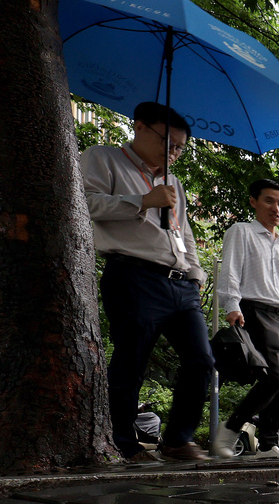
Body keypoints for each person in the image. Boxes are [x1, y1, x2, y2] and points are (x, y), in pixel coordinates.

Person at [80, 101, 213, 461]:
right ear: (139, 127)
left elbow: (182, 232)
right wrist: (141, 201)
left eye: (180, 147)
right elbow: (85, 204)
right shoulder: (102, 158)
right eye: (168, 142)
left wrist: (196, 276)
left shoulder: (173, 182)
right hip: (133, 275)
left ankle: (177, 439)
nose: (174, 152)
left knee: (202, 361)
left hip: (181, 283)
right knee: (131, 362)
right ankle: (124, 443)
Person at [211, 179, 279, 459]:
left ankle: (270, 443)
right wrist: (231, 305)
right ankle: (232, 427)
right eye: (269, 201)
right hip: (254, 312)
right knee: (273, 378)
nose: (276, 208)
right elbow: (230, 270)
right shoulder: (242, 232)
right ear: (253, 202)